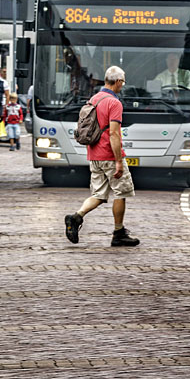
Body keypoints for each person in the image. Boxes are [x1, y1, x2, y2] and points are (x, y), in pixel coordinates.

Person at [64, 66, 140, 247]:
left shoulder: (94, 99)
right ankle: (118, 232)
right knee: (121, 193)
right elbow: (114, 134)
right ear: (119, 82)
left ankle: (76, 217)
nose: (123, 85)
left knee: (99, 194)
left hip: (94, 154)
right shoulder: (114, 103)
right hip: (108, 155)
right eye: (123, 82)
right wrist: (119, 161)